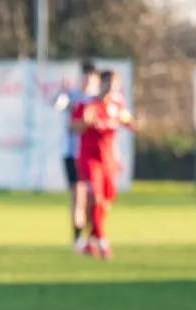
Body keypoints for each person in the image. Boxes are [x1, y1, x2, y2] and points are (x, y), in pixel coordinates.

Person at [71, 69, 135, 260]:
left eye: (114, 84)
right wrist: (84, 123)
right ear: (101, 83)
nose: (110, 87)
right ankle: (103, 243)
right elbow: (73, 128)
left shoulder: (117, 105)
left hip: (108, 160)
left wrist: (133, 121)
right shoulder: (88, 104)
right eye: (107, 83)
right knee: (96, 198)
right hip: (90, 158)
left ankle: (89, 241)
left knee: (106, 202)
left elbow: (129, 123)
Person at [52, 61, 100, 249]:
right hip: (73, 154)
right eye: (85, 75)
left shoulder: (97, 100)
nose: (88, 79)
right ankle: (77, 237)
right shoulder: (72, 96)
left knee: (93, 198)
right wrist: (62, 91)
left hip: (93, 155)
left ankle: (93, 235)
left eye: (91, 75)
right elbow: (56, 105)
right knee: (77, 196)